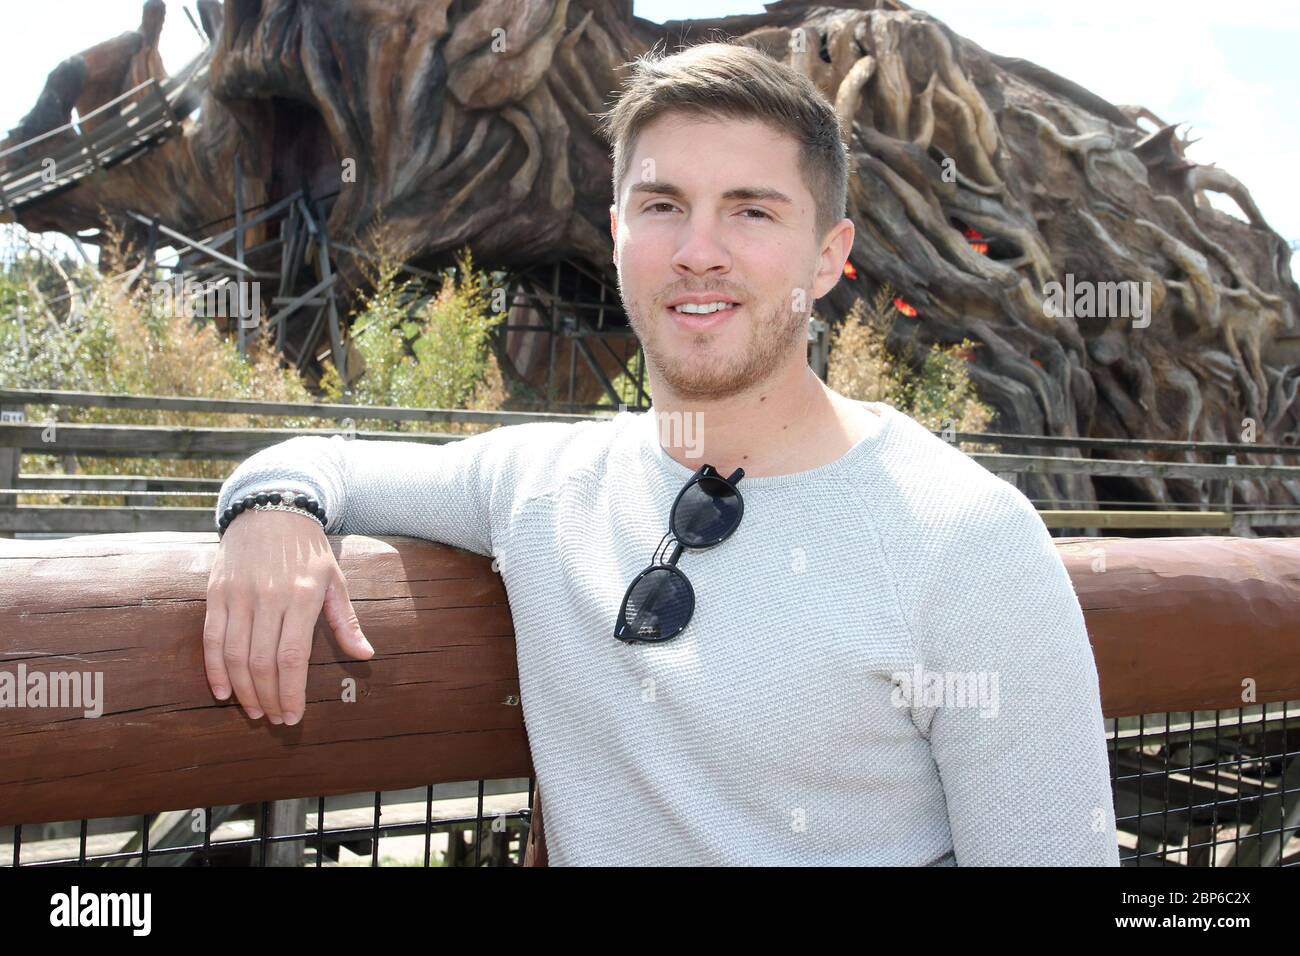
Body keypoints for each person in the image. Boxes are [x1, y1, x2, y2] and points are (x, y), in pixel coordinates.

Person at [203, 41, 1120, 866]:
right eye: (662, 206)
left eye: (751, 212)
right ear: (616, 233)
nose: (697, 251)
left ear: (828, 256)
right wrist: (273, 513)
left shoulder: (968, 541)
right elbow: (325, 462)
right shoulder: (542, 484)